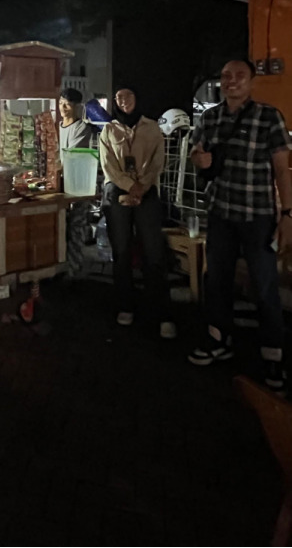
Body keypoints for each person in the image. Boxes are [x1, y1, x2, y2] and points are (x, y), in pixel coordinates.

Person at [188, 58, 292, 393]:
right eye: (226, 76)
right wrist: (198, 159)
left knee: (264, 285)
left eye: (239, 76)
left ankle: (273, 354)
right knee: (216, 280)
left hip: (258, 215)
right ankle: (218, 339)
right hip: (220, 213)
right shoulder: (209, 117)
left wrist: (287, 214)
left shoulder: (269, 117)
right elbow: (198, 155)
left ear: (251, 81)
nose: (231, 81)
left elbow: (282, 169)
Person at [100, 86, 176, 339]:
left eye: (129, 95)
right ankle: (125, 305)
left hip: (147, 190)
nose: (124, 101)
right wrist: (129, 186)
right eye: (119, 97)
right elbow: (108, 165)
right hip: (117, 191)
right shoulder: (109, 130)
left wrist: (141, 186)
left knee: (153, 252)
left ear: (137, 98)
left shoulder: (152, 128)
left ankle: (162, 312)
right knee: (121, 252)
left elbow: (157, 161)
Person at [59, 87, 93, 278]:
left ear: (77, 106)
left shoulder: (82, 128)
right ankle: (61, 268)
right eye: (61, 103)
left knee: (76, 227)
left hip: (78, 185)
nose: (63, 108)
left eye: (68, 104)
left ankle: (74, 271)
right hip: (60, 185)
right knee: (60, 226)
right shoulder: (56, 127)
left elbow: (69, 157)